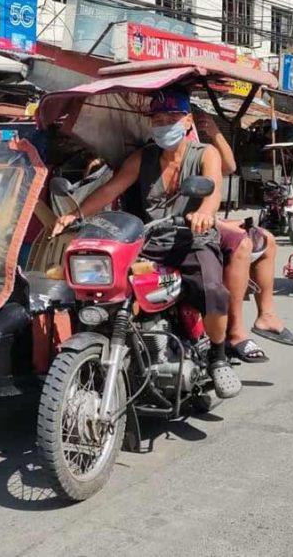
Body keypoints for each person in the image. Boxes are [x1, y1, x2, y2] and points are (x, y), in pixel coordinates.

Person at [53, 89, 242, 398]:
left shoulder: (205, 153)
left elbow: (213, 188)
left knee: (213, 292)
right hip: (150, 239)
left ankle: (218, 358)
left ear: (188, 120)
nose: (164, 125)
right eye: (157, 119)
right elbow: (110, 189)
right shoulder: (144, 157)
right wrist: (74, 215)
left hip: (191, 239)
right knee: (105, 284)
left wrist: (206, 213)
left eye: (171, 118)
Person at [190, 108, 293, 357]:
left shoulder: (199, 147)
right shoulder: (166, 150)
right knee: (243, 243)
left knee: (267, 239)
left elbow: (228, 166)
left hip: (208, 218)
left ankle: (266, 315)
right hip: (193, 221)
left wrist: (214, 131)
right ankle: (236, 331)